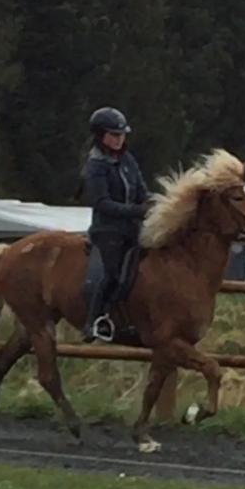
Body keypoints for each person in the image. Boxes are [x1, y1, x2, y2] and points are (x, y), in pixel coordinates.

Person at [79, 106, 152, 342]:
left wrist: (153, 204)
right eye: (114, 135)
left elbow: (141, 190)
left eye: (121, 135)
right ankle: (93, 322)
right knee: (111, 275)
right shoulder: (95, 166)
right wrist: (137, 211)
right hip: (107, 231)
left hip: (132, 229)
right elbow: (103, 204)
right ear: (101, 136)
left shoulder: (128, 160)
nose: (119, 139)